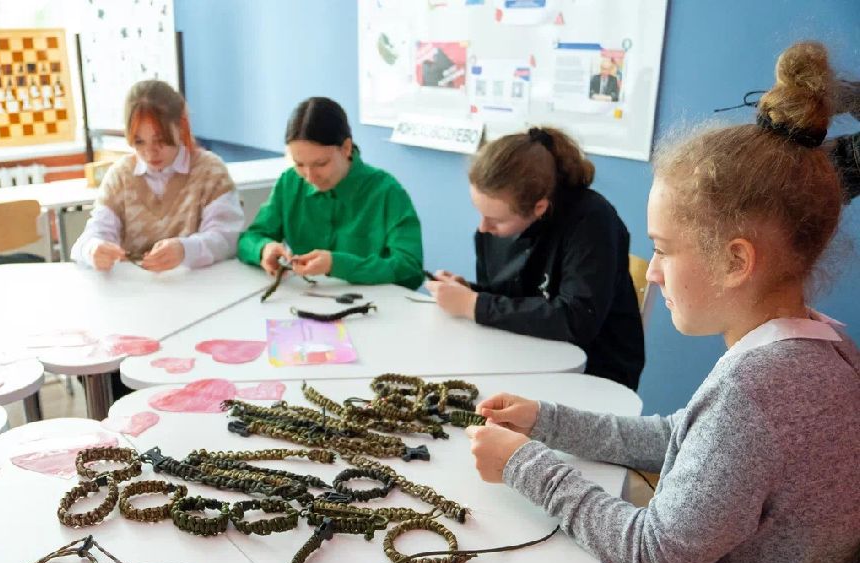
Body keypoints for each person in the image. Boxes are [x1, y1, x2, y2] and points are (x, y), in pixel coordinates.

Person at [466, 42, 860, 563]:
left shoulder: (758, 394)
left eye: (667, 251)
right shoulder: (822, 349)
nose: (651, 273)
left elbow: (655, 558)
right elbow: (680, 436)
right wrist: (546, 422)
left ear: (735, 260)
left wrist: (528, 466)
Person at [426, 127, 644, 390]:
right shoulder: (493, 230)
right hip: (523, 356)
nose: (483, 228)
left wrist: (474, 305)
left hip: (592, 373)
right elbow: (514, 293)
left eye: (495, 219)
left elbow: (575, 320)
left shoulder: (592, 221)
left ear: (539, 208)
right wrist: (470, 291)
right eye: (479, 213)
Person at [237, 97, 423, 289]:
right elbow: (249, 239)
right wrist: (263, 249)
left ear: (346, 148)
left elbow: (410, 270)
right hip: (307, 304)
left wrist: (337, 264)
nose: (309, 177)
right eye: (299, 164)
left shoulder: (387, 192)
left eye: (321, 164)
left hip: (375, 310)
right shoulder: (290, 182)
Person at [70, 80, 244, 272]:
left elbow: (226, 239)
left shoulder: (211, 171)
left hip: (198, 288)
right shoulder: (120, 176)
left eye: (160, 140)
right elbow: (90, 237)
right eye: (139, 142)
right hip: (136, 291)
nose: (150, 153)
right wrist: (94, 249)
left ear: (181, 126)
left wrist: (185, 250)